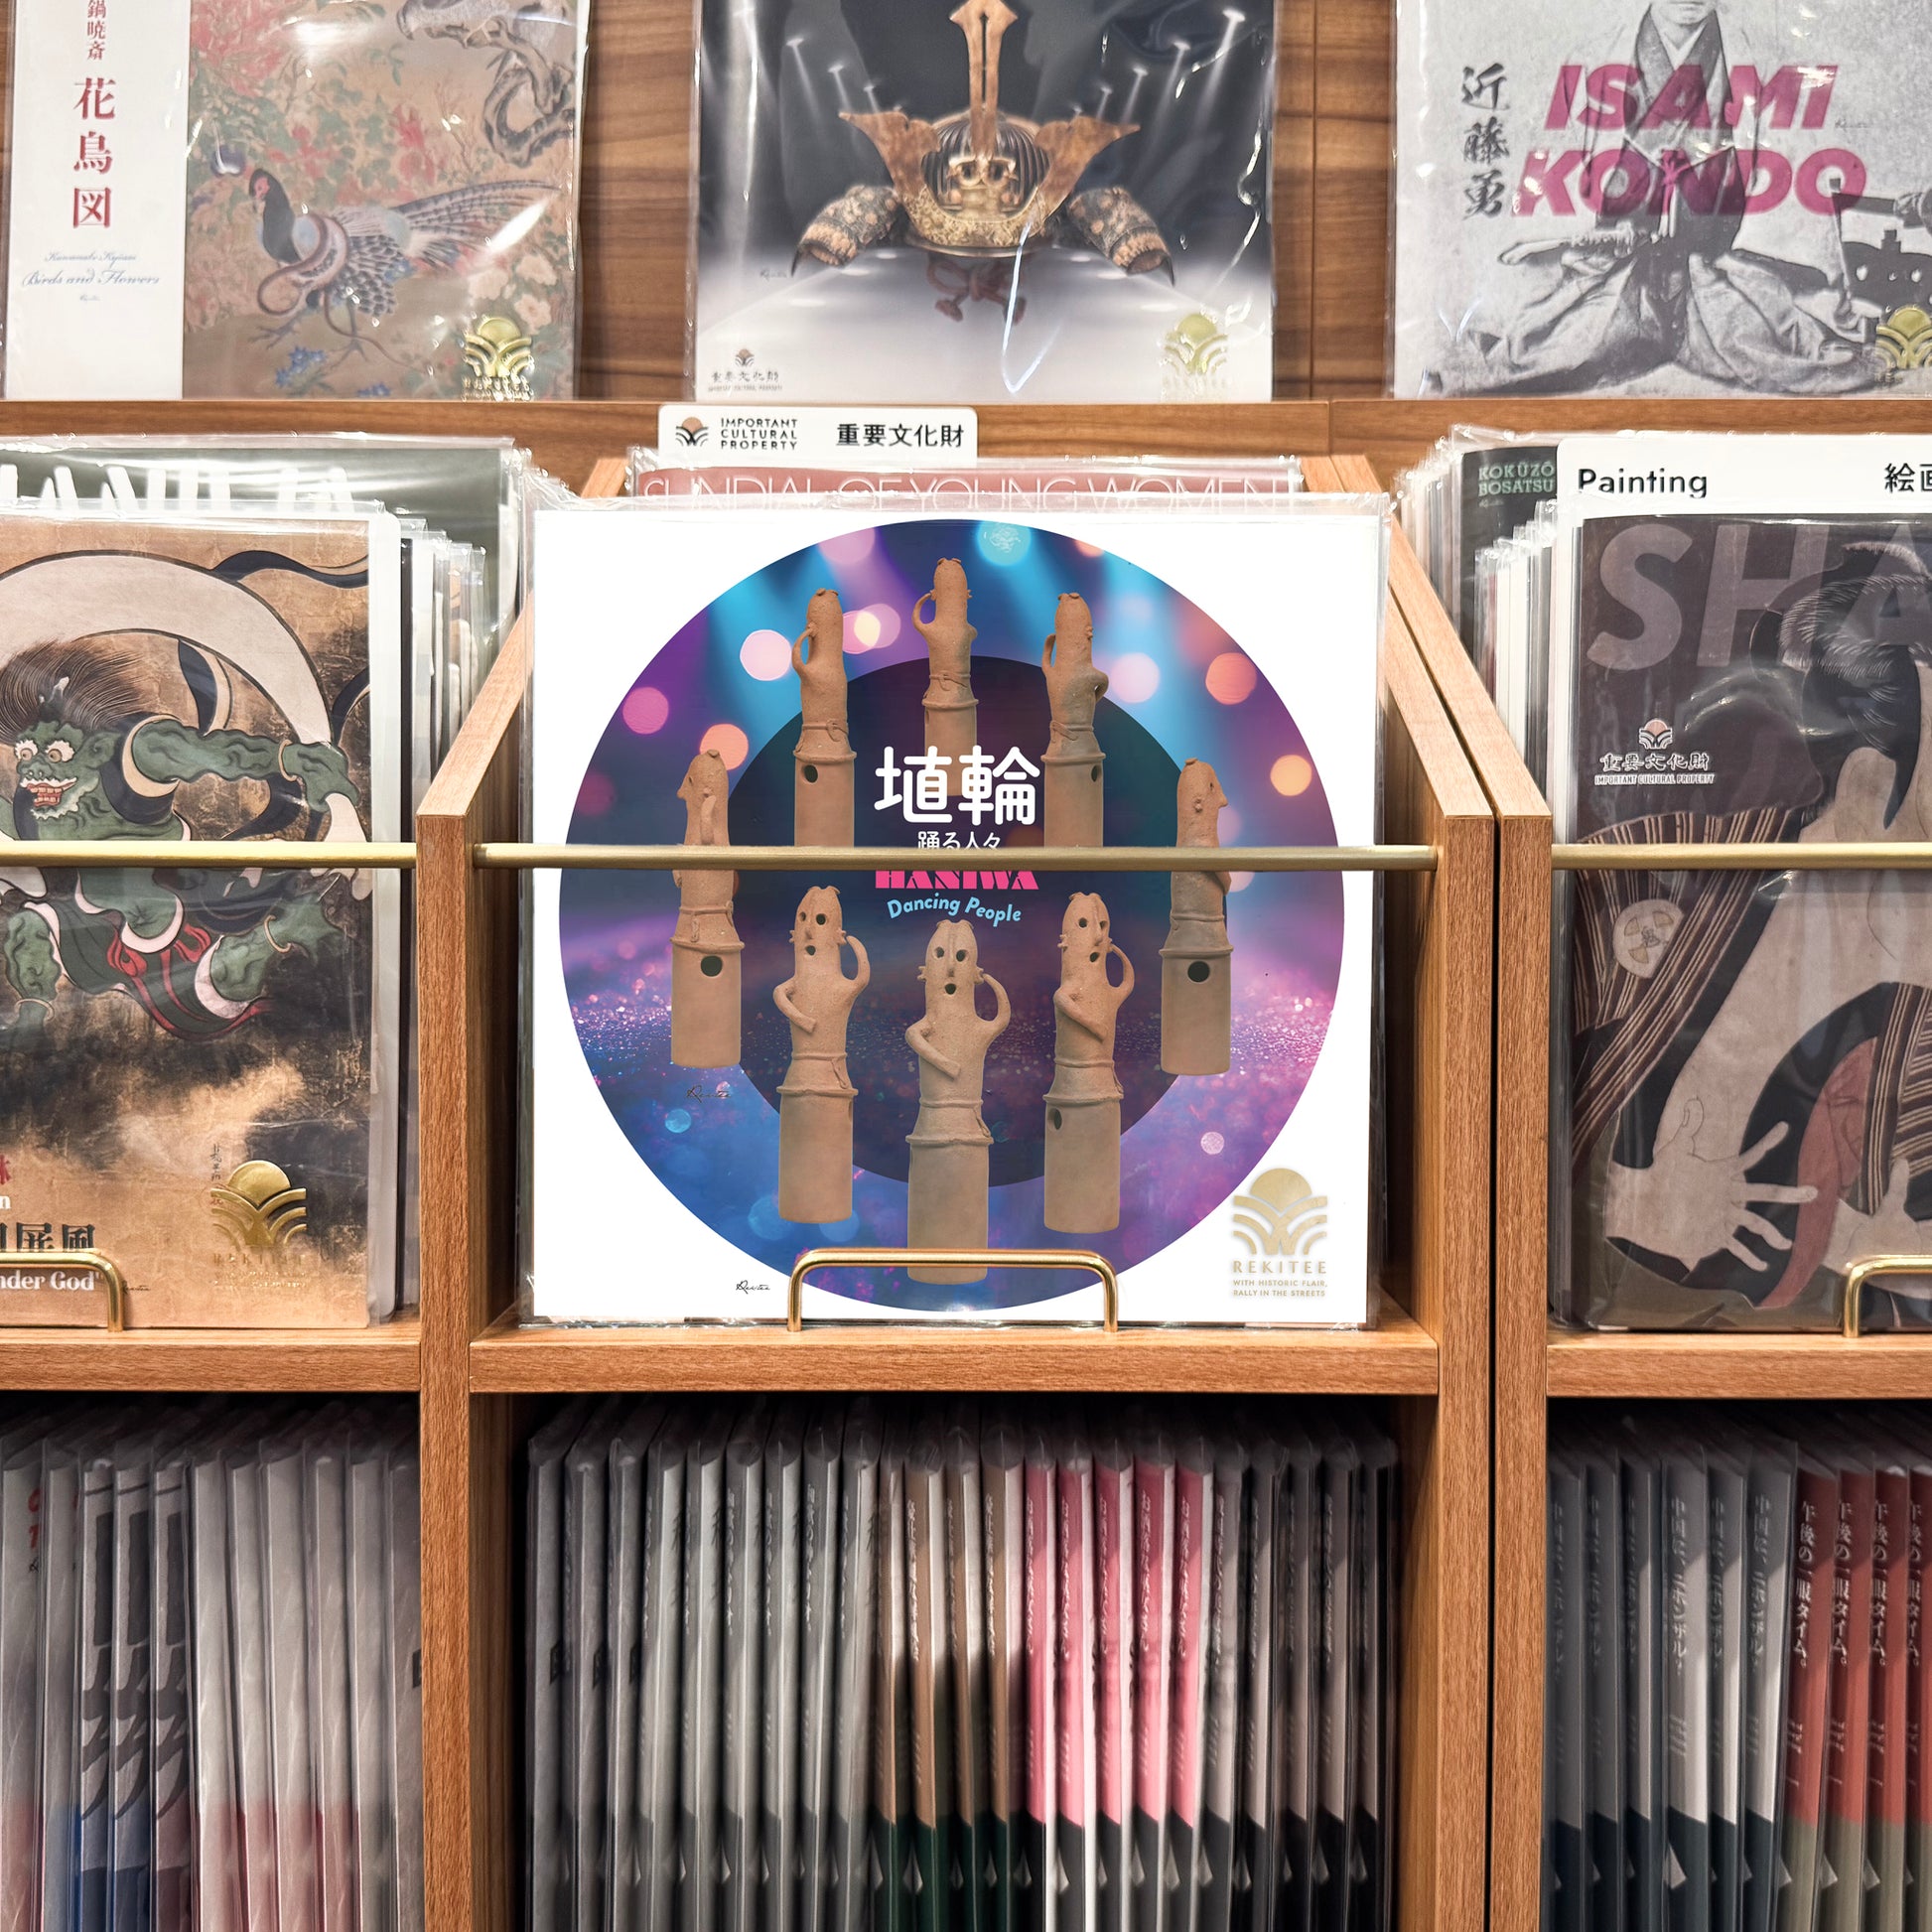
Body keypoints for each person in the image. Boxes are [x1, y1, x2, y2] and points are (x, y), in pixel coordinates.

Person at [1432, 0, 1890, 393]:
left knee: (1768, 349)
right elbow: (1555, 189)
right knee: (1556, 353)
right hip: (1616, 272)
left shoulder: (1761, 63)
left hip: (1718, 271)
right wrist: (1593, 233)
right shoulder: (1595, 57)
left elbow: (1790, 205)